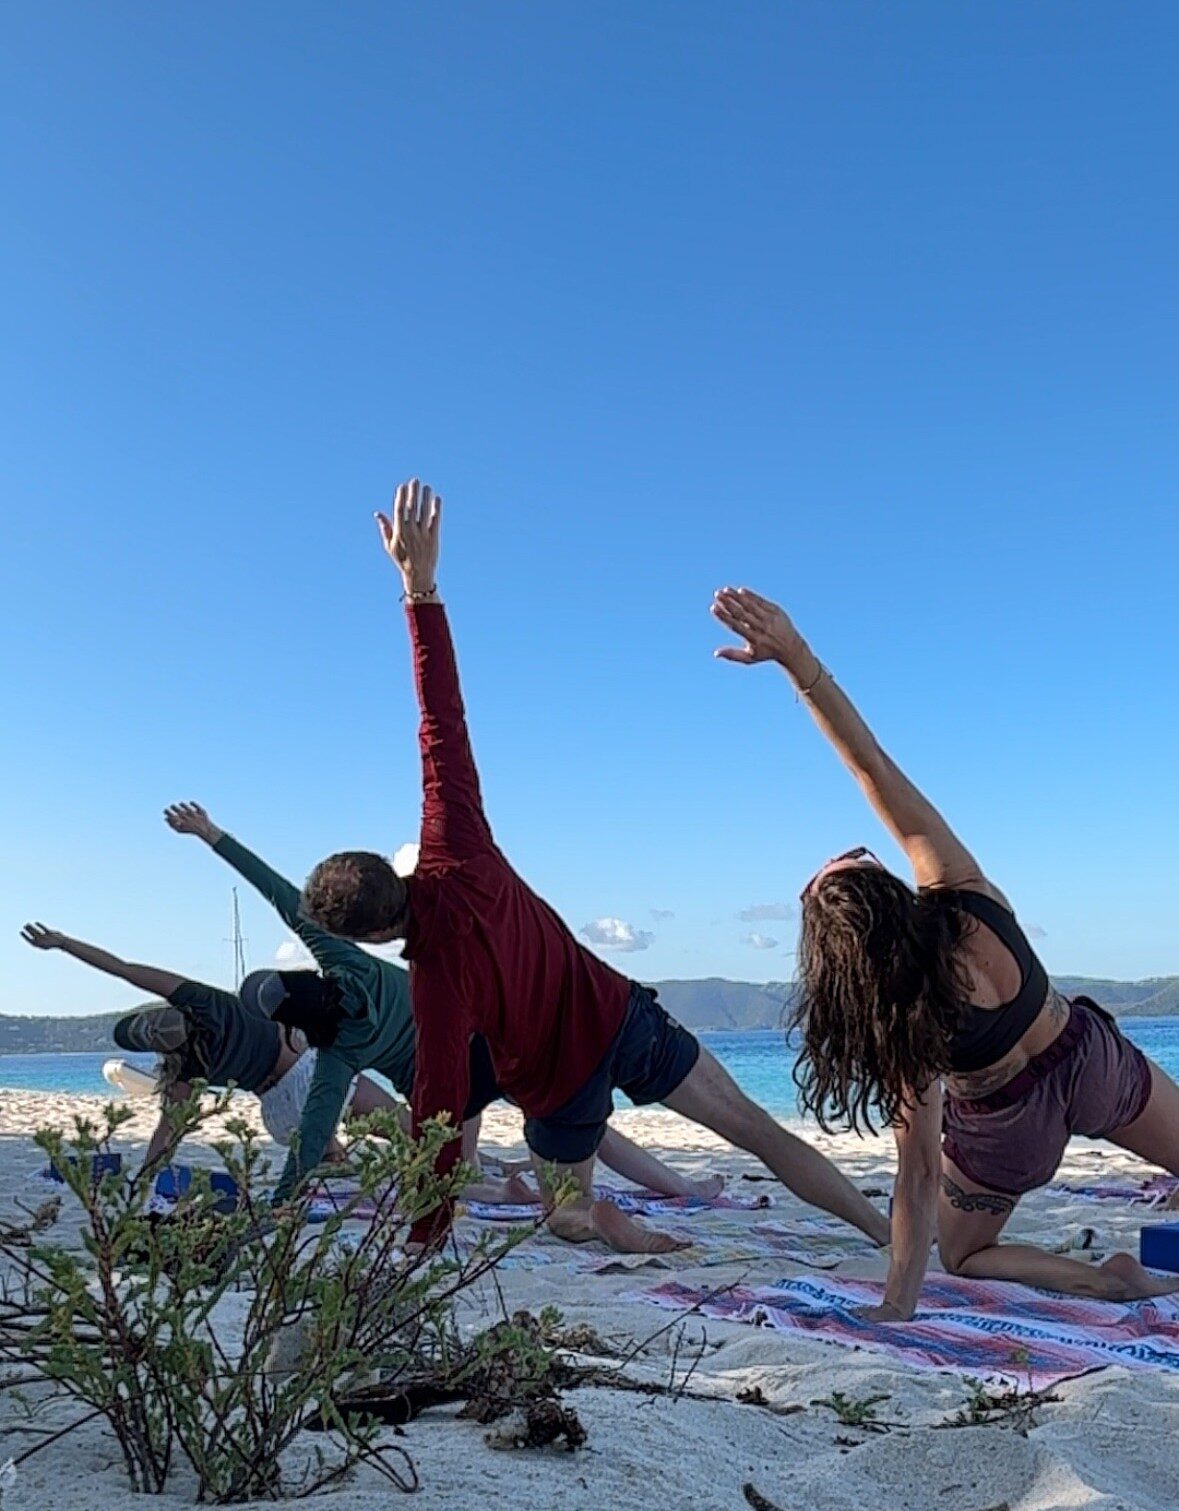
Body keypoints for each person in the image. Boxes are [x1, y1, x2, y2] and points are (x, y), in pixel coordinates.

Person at [297, 478, 890, 1255]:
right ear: (389, 868)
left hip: (560, 1087)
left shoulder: (433, 981)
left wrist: (423, 1233)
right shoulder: (456, 841)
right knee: (751, 1127)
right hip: (620, 1015)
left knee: (566, 1212)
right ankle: (888, 1231)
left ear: (375, 933)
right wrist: (419, 589)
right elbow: (440, 718)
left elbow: (438, 1111)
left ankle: (598, 1216)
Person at [710, 583, 1179, 1315]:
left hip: (1003, 1131)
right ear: (888, 890)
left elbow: (920, 1173)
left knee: (963, 1255)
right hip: (1089, 1060)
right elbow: (870, 765)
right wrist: (795, 656)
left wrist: (897, 1306)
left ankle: (1105, 1280)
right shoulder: (959, 889)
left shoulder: (900, 1017)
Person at [163, 802, 726, 1207]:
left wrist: (278, 1205)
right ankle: (685, 1188)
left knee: (435, 1172)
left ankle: (500, 1188)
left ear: (293, 1029)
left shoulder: (335, 1053)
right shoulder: (342, 958)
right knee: (583, 1124)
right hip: (487, 1040)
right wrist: (213, 835)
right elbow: (283, 896)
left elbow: (312, 1141)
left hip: (447, 1086)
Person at [19, 923, 316, 1165]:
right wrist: (144, 1184)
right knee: (331, 1141)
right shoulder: (187, 1070)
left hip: (300, 1073)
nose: (155, 1026)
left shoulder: (196, 1000)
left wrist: (64, 943)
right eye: (149, 1034)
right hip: (286, 1097)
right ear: (160, 1048)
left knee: (352, 1116)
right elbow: (166, 1133)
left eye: (148, 1021)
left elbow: (122, 968)